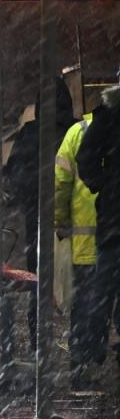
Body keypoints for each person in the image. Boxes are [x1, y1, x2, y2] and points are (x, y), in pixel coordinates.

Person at [4, 77, 77, 343]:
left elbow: (14, 173)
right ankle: (78, 341)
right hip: (73, 219)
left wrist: (27, 197)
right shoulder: (76, 130)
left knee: (39, 278)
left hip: (37, 216)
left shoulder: (30, 133)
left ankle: (39, 336)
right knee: (75, 278)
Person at [77, 72, 120, 382]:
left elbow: (86, 158)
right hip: (113, 217)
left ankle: (94, 349)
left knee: (102, 288)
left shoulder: (107, 113)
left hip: (113, 217)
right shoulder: (109, 113)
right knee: (103, 288)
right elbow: (86, 158)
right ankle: (95, 347)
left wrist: (102, 184)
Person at [54, 111, 101, 388]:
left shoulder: (78, 131)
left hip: (85, 243)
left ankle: (81, 368)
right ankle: (95, 359)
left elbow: (60, 181)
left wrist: (60, 220)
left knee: (84, 307)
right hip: (110, 237)